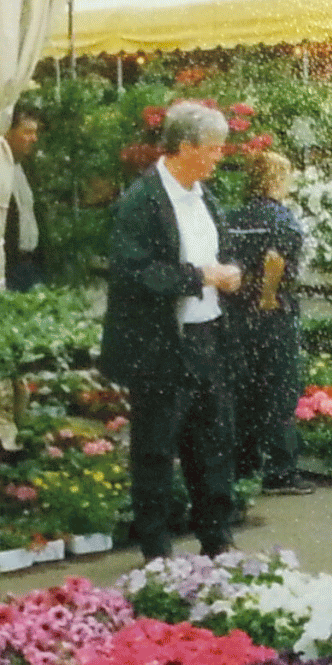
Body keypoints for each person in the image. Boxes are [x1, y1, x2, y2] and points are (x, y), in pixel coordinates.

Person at [100, 101, 243, 560]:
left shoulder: (205, 198)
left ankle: (217, 539)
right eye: (214, 147)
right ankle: (157, 550)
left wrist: (230, 271)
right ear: (185, 147)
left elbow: (220, 253)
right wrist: (200, 276)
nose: (221, 155)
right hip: (161, 343)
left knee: (212, 442)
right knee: (157, 448)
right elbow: (132, 272)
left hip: (207, 335)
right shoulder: (140, 202)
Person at [221, 151, 314, 494]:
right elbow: (275, 258)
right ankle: (281, 471)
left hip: (236, 314)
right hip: (272, 316)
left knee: (244, 391)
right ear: (276, 179)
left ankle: (244, 466)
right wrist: (268, 296)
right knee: (279, 391)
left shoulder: (233, 217)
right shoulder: (281, 218)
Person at [2, 108, 45, 292]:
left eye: (35, 133)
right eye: (27, 132)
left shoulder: (27, 168)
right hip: (8, 267)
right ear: (7, 133)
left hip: (31, 264)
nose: (34, 139)